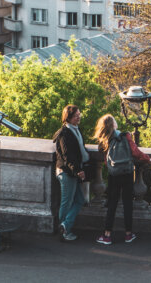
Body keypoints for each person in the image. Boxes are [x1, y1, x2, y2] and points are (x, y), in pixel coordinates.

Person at [93, 114, 151, 245]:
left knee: (112, 203)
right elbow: (136, 152)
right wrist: (148, 158)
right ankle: (128, 234)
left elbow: (104, 157)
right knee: (127, 203)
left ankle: (107, 235)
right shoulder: (125, 136)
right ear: (113, 125)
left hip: (114, 174)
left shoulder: (104, 140)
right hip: (127, 172)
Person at [52, 104, 89, 242]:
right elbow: (67, 156)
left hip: (71, 172)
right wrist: (78, 171)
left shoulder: (74, 130)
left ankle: (64, 225)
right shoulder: (65, 133)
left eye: (79, 114)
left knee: (79, 200)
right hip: (67, 172)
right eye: (75, 116)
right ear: (68, 118)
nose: (78, 117)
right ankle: (63, 231)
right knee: (66, 202)